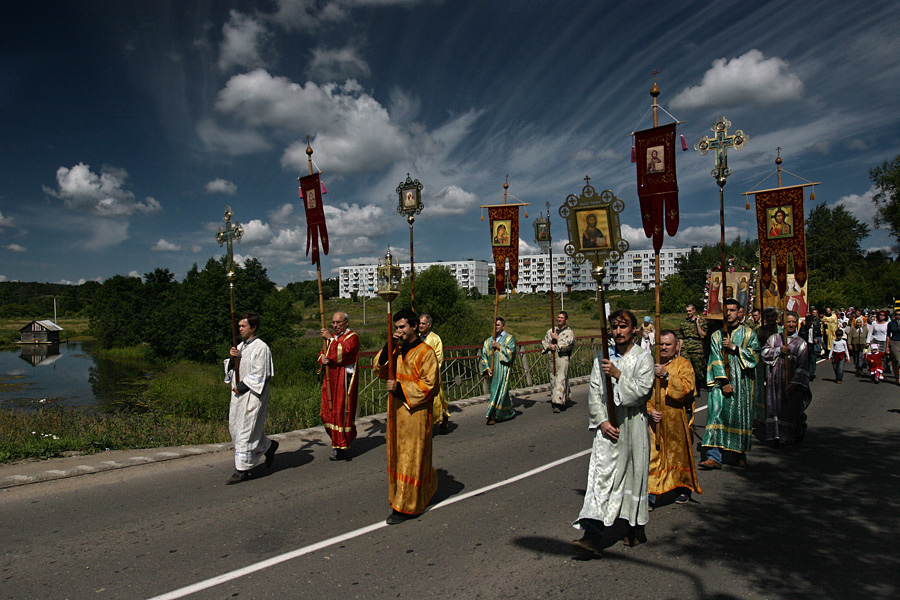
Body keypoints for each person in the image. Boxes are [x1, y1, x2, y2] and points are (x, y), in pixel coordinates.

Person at [572, 310, 654, 557]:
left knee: (632, 477)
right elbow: (595, 392)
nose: (618, 332)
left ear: (634, 330)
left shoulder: (643, 359)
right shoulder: (602, 357)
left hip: (633, 427)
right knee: (600, 478)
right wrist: (603, 421)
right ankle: (592, 538)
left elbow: (642, 392)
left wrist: (618, 375)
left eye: (623, 327)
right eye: (614, 327)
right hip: (609, 429)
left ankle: (634, 528)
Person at [375, 309, 439, 524]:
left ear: (413, 326)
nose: (399, 331)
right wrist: (388, 347)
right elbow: (379, 370)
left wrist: (400, 388)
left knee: (411, 459)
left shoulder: (426, 352)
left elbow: (430, 386)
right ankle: (401, 496)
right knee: (397, 456)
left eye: (402, 327)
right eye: (397, 328)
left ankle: (407, 507)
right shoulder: (397, 349)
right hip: (396, 414)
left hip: (415, 414)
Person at [699, 299, 760, 470]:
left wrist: (734, 348)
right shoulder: (717, 335)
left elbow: (755, 356)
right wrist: (724, 381)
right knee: (715, 414)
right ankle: (713, 456)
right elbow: (715, 359)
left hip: (742, 382)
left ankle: (738, 453)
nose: (729, 313)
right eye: (727, 310)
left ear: (739, 312)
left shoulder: (748, 334)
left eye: (733, 310)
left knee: (737, 416)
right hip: (721, 383)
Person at [647, 330, 702, 507]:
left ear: (676, 346)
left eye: (667, 344)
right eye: (660, 344)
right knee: (652, 456)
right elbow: (642, 393)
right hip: (654, 420)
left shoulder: (683, 364)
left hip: (676, 418)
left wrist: (667, 376)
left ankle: (682, 488)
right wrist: (649, 411)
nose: (663, 347)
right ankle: (651, 494)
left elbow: (688, 389)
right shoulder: (649, 364)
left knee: (677, 455)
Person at [223, 313, 277, 484]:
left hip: (252, 395)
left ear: (253, 328)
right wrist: (232, 360)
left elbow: (261, 373)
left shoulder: (261, 348)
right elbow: (231, 369)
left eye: (243, 326)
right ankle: (268, 446)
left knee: (246, 430)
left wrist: (242, 386)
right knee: (236, 428)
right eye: (239, 326)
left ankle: (242, 470)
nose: (240, 329)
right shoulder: (240, 346)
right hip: (239, 397)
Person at [761, 311, 811, 446]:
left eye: (793, 322)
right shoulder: (774, 339)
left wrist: (794, 384)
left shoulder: (801, 343)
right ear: (783, 323)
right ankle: (775, 435)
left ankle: (789, 435)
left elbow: (803, 366)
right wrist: (778, 350)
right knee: (774, 408)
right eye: (788, 322)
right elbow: (764, 353)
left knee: (790, 409)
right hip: (775, 381)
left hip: (791, 382)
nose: (791, 324)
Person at [319, 312, 360, 461]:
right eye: (333, 323)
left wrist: (330, 339)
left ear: (346, 323)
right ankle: (336, 441)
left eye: (338, 322)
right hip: (332, 379)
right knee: (327, 413)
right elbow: (324, 353)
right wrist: (322, 359)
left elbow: (343, 353)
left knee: (341, 413)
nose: (335, 326)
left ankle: (341, 445)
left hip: (344, 380)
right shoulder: (334, 339)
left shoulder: (352, 337)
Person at [480, 317, 517, 425]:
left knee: (501, 392)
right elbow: (484, 356)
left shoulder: (509, 338)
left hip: (504, 370)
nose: (496, 327)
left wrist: (499, 346)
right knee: (495, 391)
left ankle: (491, 415)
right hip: (493, 371)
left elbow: (511, 353)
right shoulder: (488, 341)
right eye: (494, 325)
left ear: (503, 326)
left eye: (498, 325)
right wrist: (487, 368)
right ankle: (506, 413)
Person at [419, 313, 450, 433]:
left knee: (437, 399)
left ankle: (442, 418)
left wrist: (427, 368)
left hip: (431, 374)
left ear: (429, 324)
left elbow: (438, 357)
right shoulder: (415, 338)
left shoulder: (435, 339)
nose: (421, 326)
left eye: (423, 323)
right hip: (418, 376)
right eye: (420, 323)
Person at [541, 311, 575, 413]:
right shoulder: (551, 331)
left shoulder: (569, 333)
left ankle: (557, 403)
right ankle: (559, 398)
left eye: (562, 318)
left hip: (562, 358)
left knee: (561, 379)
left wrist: (557, 339)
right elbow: (544, 341)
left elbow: (568, 345)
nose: (559, 319)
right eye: (558, 317)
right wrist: (549, 346)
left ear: (566, 320)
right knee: (553, 379)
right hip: (552, 358)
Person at [679, 304, 708, 398]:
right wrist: (679, 351)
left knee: (697, 370)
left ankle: (697, 388)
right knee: (686, 369)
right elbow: (681, 337)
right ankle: (688, 389)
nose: (688, 313)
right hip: (686, 347)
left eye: (690, 311)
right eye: (687, 311)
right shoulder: (684, 322)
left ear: (694, 310)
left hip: (697, 347)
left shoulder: (701, 321)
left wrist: (697, 323)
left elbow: (703, 335)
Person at [887, 310, 900, 385]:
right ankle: (896, 377)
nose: (898, 316)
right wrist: (887, 347)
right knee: (896, 361)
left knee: (899, 361)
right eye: (897, 315)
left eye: (899, 315)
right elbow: (888, 335)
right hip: (894, 342)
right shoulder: (891, 324)